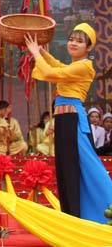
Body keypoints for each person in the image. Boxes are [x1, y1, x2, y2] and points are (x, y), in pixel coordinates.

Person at [25, 24, 112, 223]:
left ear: (88, 47)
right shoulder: (75, 66)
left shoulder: (84, 66)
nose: (73, 43)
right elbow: (59, 66)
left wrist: (36, 53)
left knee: (82, 166)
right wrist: (42, 53)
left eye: (79, 41)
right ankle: (78, 216)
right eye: (72, 39)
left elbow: (51, 73)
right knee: (68, 168)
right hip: (66, 119)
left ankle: (98, 209)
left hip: (72, 119)